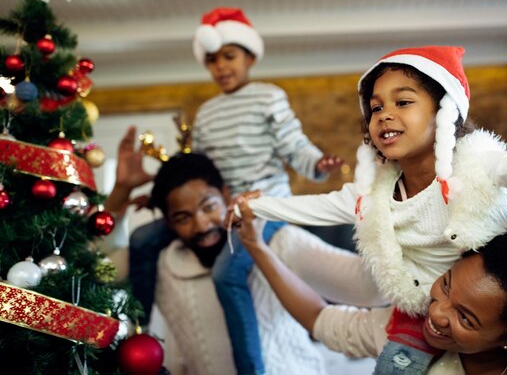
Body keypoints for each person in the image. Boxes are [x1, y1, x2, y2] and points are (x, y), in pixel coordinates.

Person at [236, 46, 507, 374]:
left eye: (402, 102)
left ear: (445, 112)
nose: (384, 114)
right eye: (375, 108)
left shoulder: (482, 168)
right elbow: (319, 207)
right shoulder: (373, 195)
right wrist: (258, 206)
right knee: (399, 357)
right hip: (419, 302)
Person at [130, 7, 344, 375]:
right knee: (143, 237)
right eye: (212, 61)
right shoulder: (208, 112)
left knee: (227, 274)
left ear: (250, 56)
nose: (221, 67)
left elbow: (294, 144)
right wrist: (157, 196)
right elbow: (197, 171)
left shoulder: (268, 97)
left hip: (264, 209)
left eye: (229, 57)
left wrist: (317, 165)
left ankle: (250, 370)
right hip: (219, 208)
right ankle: (135, 331)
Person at [234, 191, 507, 374]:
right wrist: (257, 246)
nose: (435, 314)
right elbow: (320, 317)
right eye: (447, 285)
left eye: (466, 319)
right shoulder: (403, 331)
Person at [106, 130, 339, 375]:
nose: (202, 225)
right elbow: (94, 266)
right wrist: (120, 190)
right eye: (183, 217)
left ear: (226, 194)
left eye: (209, 207)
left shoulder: (281, 243)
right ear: (168, 223)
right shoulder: (161, 262)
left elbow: (366, 287)